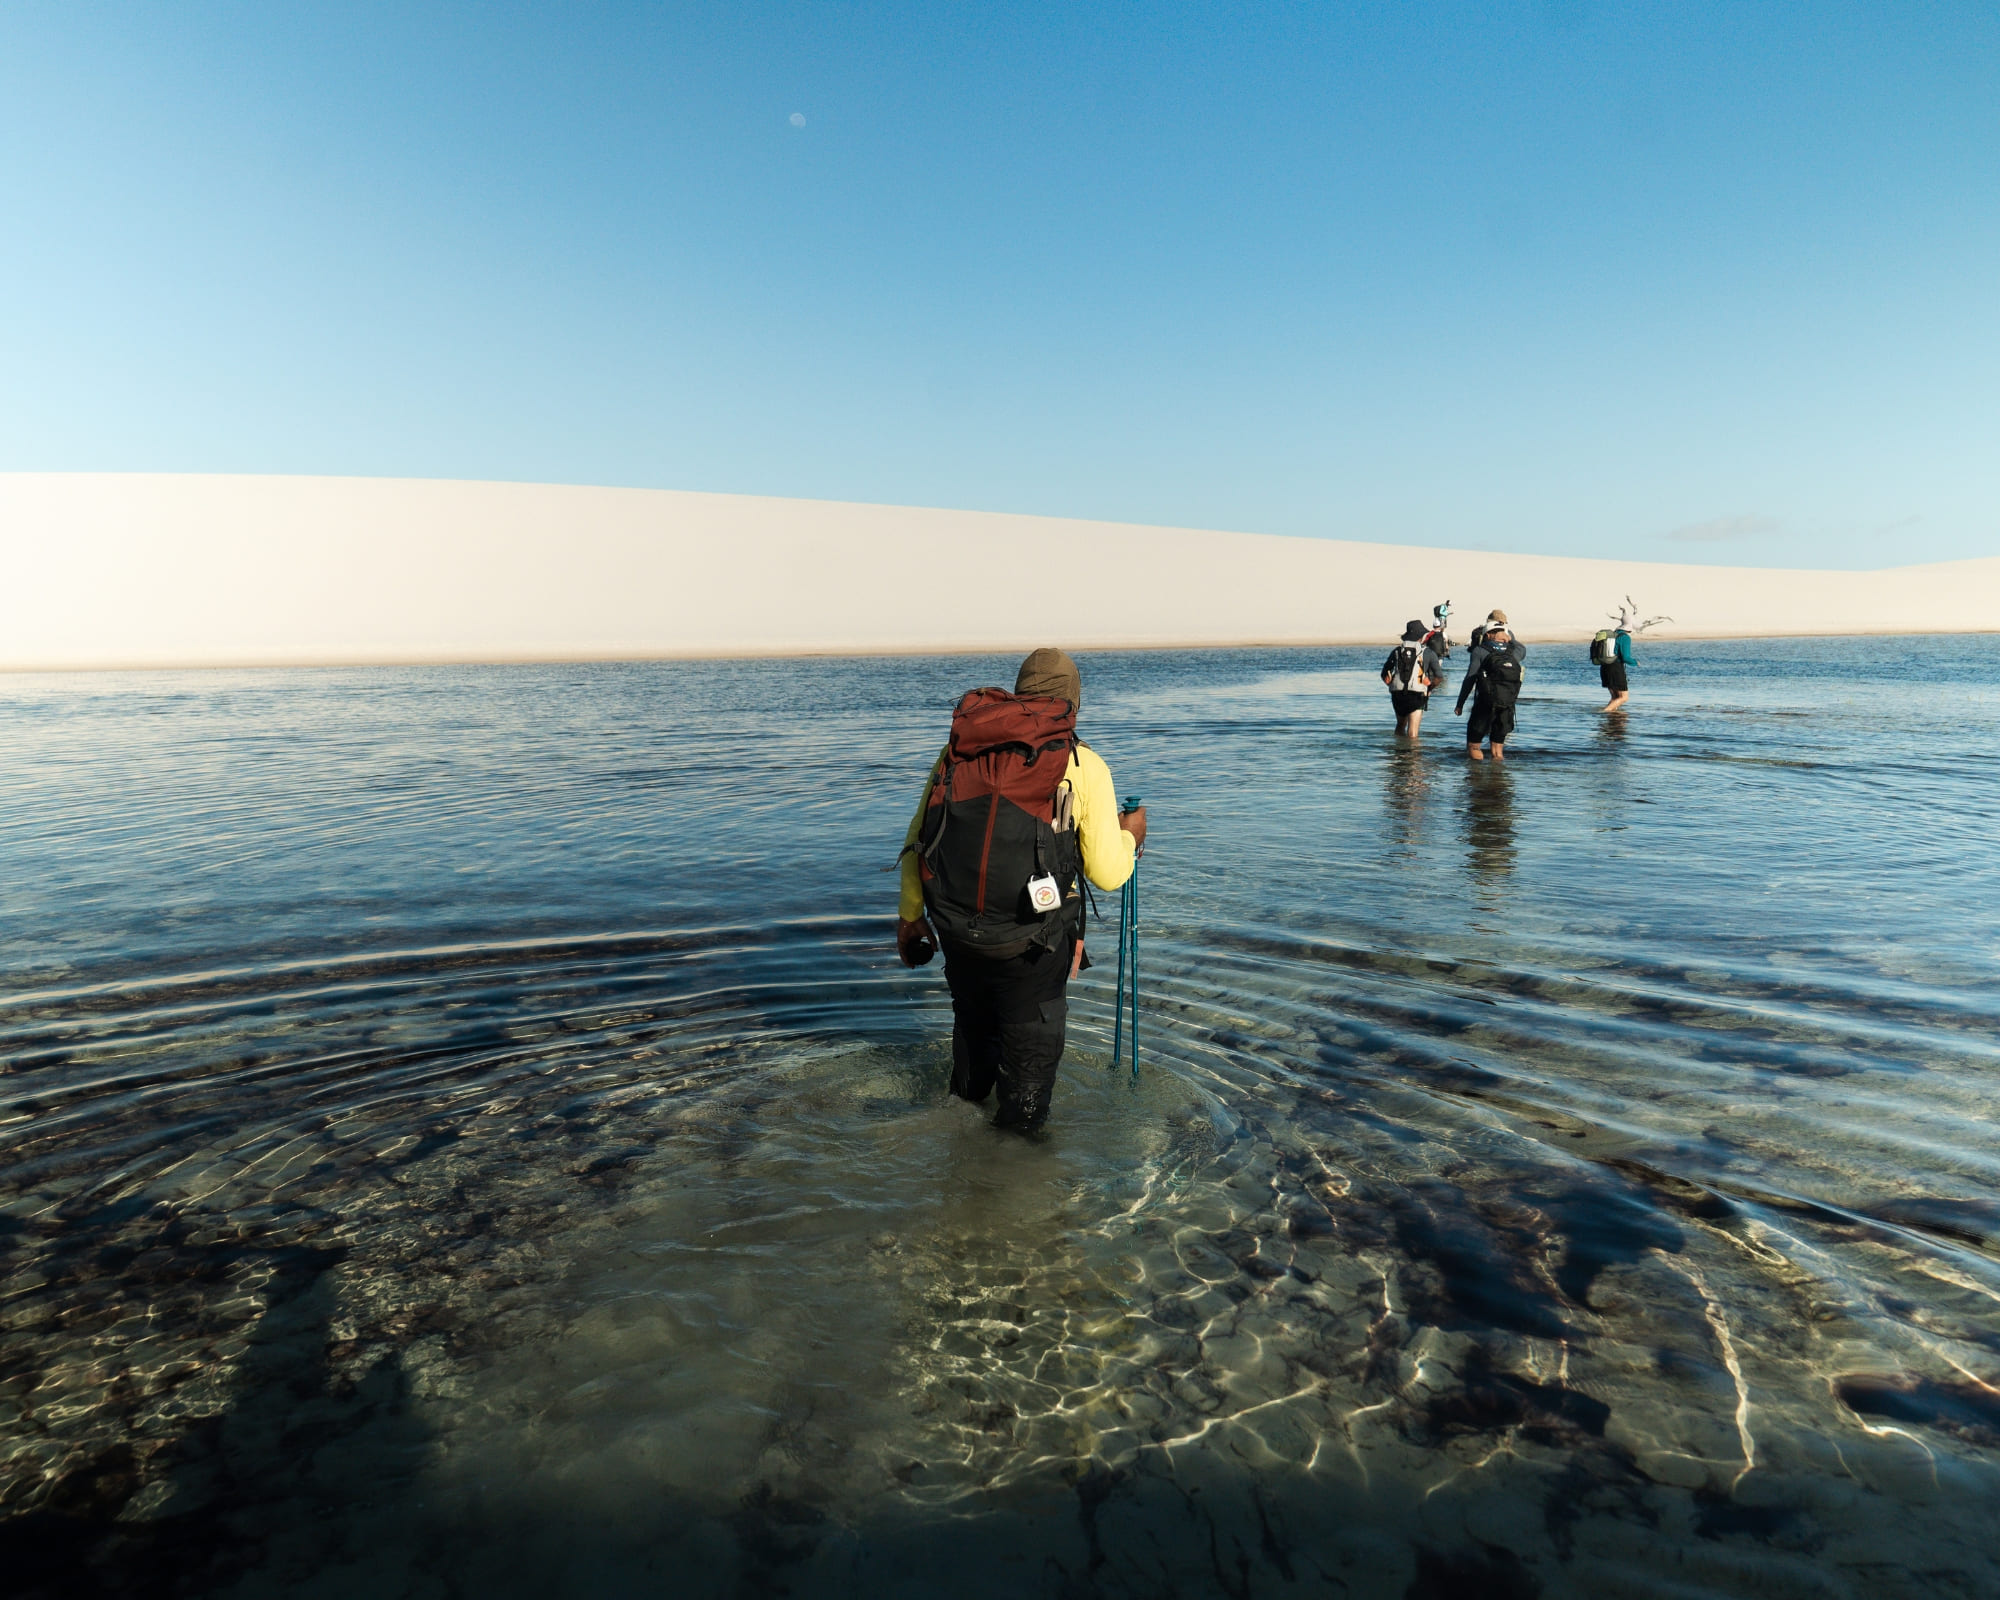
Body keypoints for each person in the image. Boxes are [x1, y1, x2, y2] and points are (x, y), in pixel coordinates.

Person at [896, 648, 1147, 1132]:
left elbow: (917, 838)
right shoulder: (1083, 762)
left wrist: (911, 918)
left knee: (972, 1043)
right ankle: (1016, 1183)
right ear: (1073, 702)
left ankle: (957, 1152)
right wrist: (1130, 835)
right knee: (1025, 1103)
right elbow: (1107, 872)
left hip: (957, 932)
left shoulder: (961, 750)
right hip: (1030, 947)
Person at [1454, 610, 1527, 761]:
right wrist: (1509, 636)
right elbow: (1522, 648)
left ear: (1486, 635)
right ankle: (1498, 780)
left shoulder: (1480, 651)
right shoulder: (1514, 652)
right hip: (1507, 706)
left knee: (1474, 746)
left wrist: (1460, 704)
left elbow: (1470, 678)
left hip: (1484, 706)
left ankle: (1476, 779)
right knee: (1498, 750)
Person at [1380, 620, 1443, 737]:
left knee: (1400, 725)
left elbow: (1384, 674)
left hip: (1397, 695)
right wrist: (1429, 688)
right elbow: (1439, 677)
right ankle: (1412, 754)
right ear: (1421, 636)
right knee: (1413, 732)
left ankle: (1399, 753)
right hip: (1417, 695)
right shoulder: (1428, 652)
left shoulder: (1397, 651)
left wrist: (1392, 685)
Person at [1599, 622, 1635, 712]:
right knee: (1624, 697)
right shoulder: (1625, 637)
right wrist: (1636, 663)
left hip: (1604, 666)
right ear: (1629, 630)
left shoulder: (1611, 636)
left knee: (1615, 697)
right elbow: (1625, 657)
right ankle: (1604, 712)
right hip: (1615, 668)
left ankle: (1611, 717)